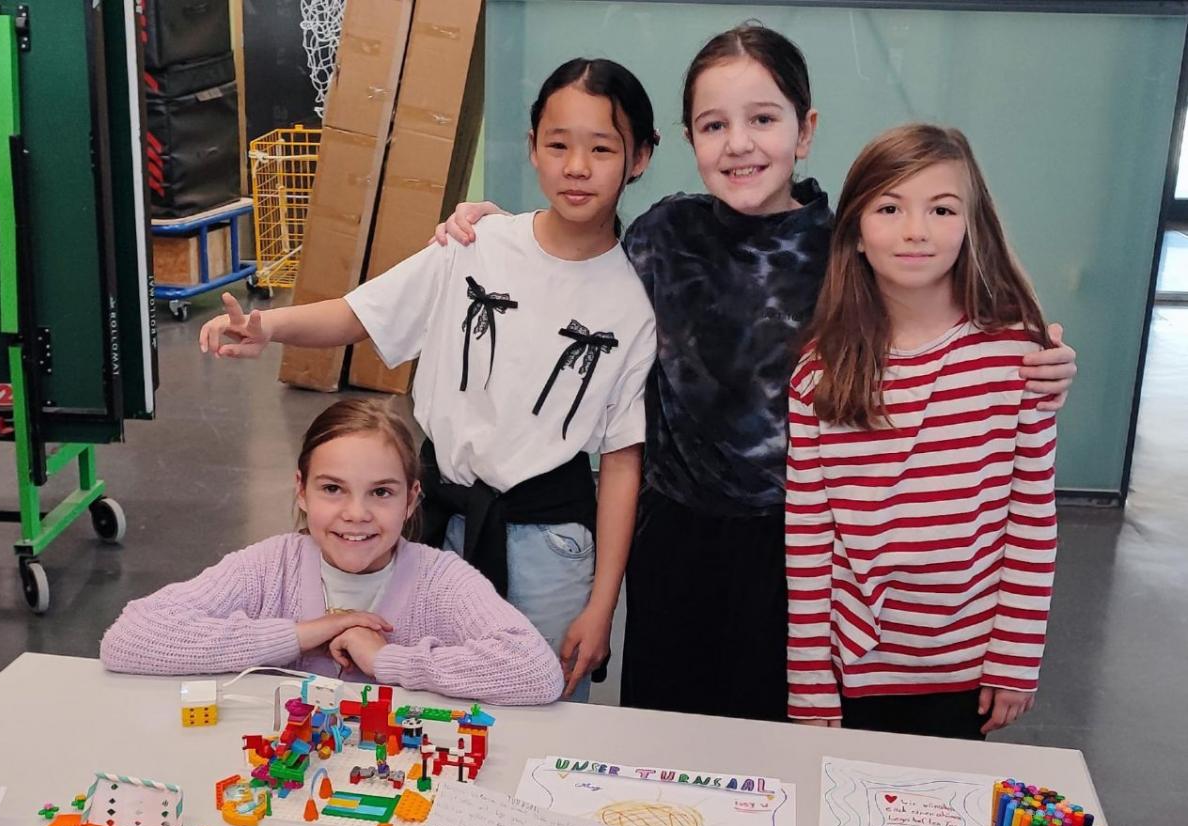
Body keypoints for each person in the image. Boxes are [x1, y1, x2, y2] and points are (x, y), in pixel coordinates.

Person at [434, 23, 1076, 720]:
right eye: (715, 125)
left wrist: (1041, 357)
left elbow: (946, 320)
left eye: (763, 119)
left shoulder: (847, 251)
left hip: (800, 547)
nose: (739, 143)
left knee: (777, 741)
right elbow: (573, 272)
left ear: (805, 131)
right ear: (690, 140)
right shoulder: (663, 237)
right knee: (664, 732)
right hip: (671, 537)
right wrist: (497, 233)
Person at [197, 58, 661, 703]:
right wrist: (268, 326)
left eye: (602, 149)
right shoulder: (476, 244)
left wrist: (602, 605)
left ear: (640, 157)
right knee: (419, 697)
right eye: (558, 145)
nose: (577, 167)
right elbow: (361, 312)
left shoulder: (634, 303)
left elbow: (621, 461)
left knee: (542, 702)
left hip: (550, 549)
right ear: (533, 147)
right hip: (439, 524)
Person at [785, 124, 1056, 739]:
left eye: (942, 209)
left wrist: (1016, 655)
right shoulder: (818, 372)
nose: (916, 230)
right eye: (890, 208)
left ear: (971, 226)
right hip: (852, 666)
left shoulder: (1018, 356)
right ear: (855, 233)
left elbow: (1032, 517)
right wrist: (809, 676)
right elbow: (809, 537)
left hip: (968, 665)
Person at [100, 399, 564, 706]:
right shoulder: (268, 566)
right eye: (332, 489)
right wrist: (304, 633)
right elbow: (130, 638)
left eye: (381, 492)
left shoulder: (441, 579)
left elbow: (536, 671)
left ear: (411, 500)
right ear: (301, 491)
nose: (356, 514)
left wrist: (385, 660)